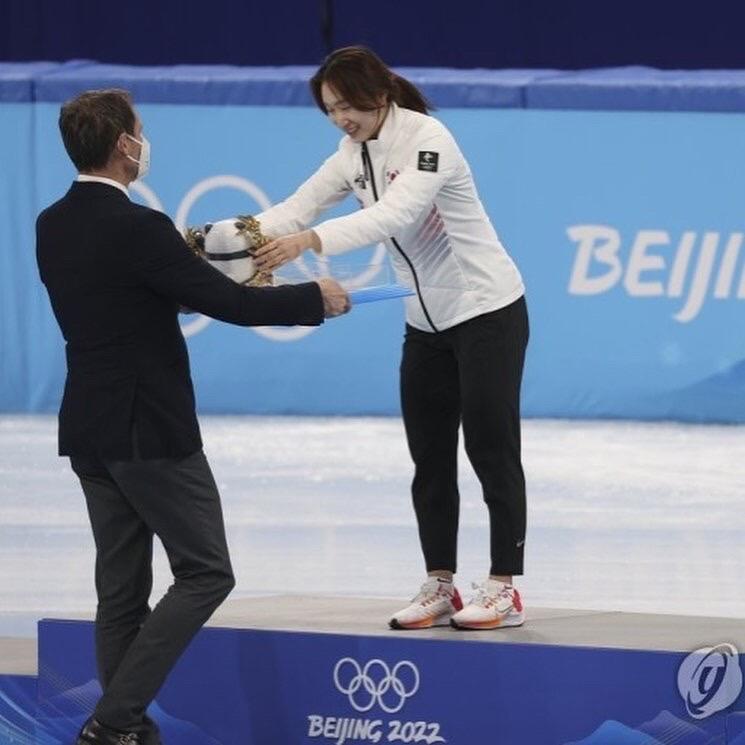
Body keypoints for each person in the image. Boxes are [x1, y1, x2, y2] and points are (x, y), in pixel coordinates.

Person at [35, 88, 349, 745]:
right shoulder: (140, 228)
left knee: (121, 590)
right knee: (206, 572)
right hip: (149, 429)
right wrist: (312, 298)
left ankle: (124, 728)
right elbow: (230, 304)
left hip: (89, 426)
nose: (144, 141)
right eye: (140, 131)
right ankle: (112, 719)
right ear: (124, 145)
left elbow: (123, 299)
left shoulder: (52, 223)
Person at [253, 46, 529, 632]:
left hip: (487, 312)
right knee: (429, 458)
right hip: (425, 325)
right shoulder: (350, 154)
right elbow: (299, 205)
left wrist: (309, 242)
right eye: (330, 110)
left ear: (379, 95)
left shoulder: (429, 140)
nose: (340, 119)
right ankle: (441, 585)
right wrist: (236, 235)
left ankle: (504, 586)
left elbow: (394, 216)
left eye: (348, 106)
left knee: (490, 448)